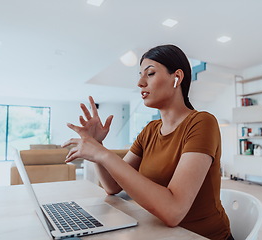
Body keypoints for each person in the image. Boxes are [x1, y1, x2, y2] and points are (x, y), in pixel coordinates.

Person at [62, 44, 233, 240]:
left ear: (177, 77)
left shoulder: (201, 122)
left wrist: (103, 154)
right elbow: (112, 187)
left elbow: (173, 211)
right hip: (160, 232)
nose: (140, 83)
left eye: (150, 74)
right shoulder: (150, 130)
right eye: (140, 75)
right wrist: (97, 145)